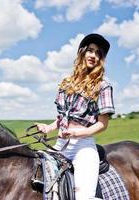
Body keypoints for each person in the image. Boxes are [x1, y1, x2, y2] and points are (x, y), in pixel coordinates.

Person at [36, 33, 115, 200]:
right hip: (60, 145)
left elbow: (102, 124)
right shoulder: (67, 83)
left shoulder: (103, 85)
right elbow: (63, 117)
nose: (93, 55)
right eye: (90, 50)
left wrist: (76, 133)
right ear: (82, 52)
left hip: (83, 147)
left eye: (98, 53)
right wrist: (48, 127)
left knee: (84, 198)